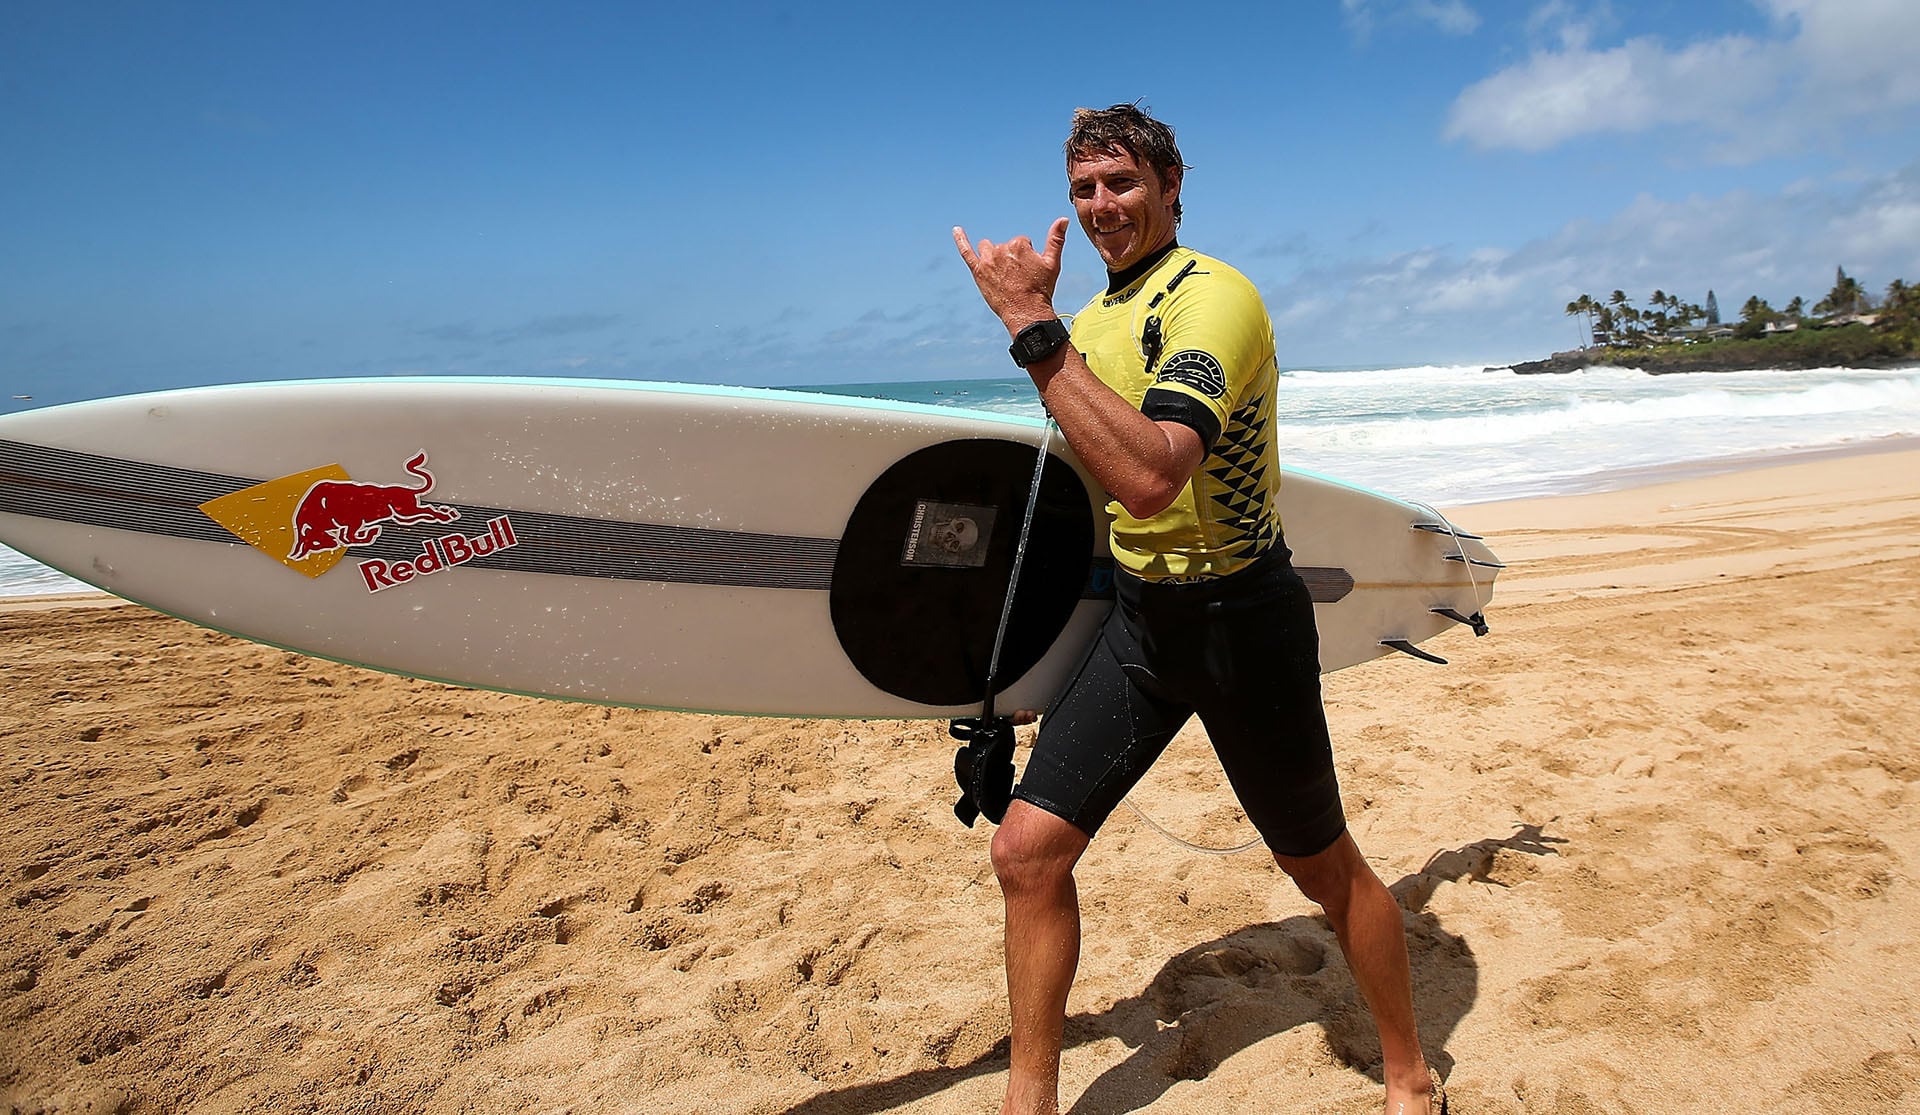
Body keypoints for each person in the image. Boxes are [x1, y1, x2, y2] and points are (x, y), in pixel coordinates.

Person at [952, 104, 1445, 1115]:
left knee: (1323, 870)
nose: (1101, 206)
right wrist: (1008, 684)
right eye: (1084, 189)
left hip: (1244, 626)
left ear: (1173, 184)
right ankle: (1028, 1100)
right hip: (1140, 626)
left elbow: (1149, 478)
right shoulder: (1084, 332)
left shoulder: (1213, 301)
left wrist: (1027, 330)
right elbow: (1083, 515)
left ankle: (1408, 1070)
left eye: (1122, 182)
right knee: (1025, 853)